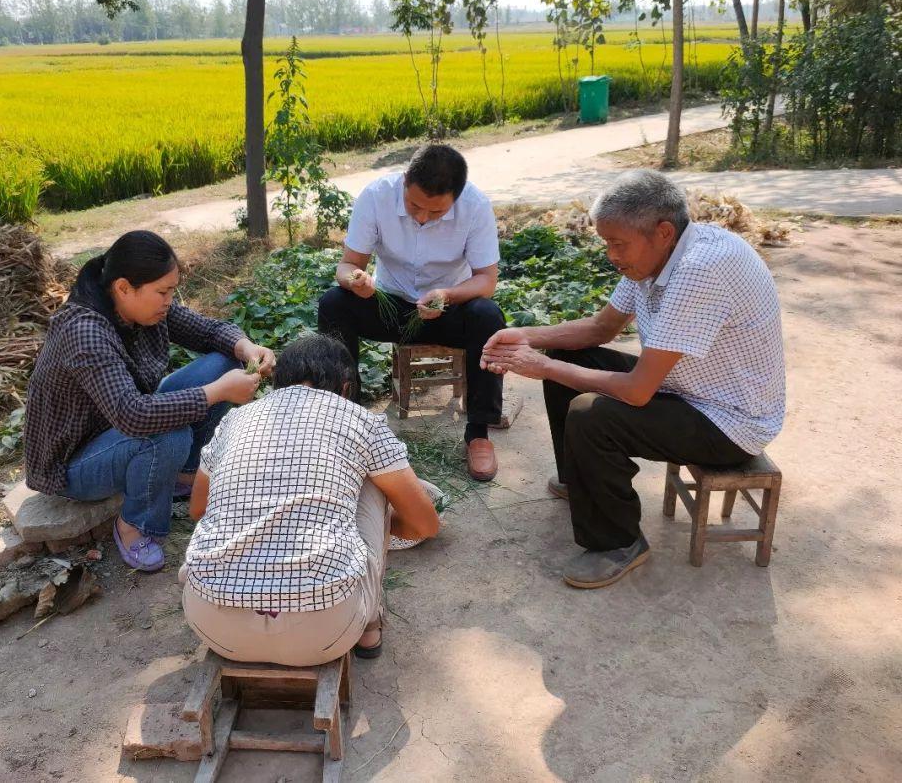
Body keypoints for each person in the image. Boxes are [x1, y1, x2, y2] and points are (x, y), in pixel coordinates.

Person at [482, 170, 786, 589]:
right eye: (606, 242)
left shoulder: (700, 271)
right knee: (571, 356)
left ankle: (618, 543)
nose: (610, 254)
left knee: (591, 414)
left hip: (729, 421)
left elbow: (637, 391)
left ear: (662, 231)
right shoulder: (658, 257)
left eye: (617, 243)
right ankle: (582, 480)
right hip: (685, 388)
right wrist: (527, 336)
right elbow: (599, 329)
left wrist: (541, 367)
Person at [181, 334, 440, 666]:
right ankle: (370, 623)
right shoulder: (362, 421)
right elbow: (425, 524)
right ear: (346, 387)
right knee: (376, 483)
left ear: (278, 382)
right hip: (326, 634)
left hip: (214, 627)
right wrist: (386, 528)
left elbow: (198, 510)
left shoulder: (234, 420)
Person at [24, 230, 275, 572]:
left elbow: (208, 331)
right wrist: (218, 392)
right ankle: (135, 524)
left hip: (120, 424)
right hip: (73, 462)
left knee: (224, 360)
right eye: (163, 292)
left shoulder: (144, 308)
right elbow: (134, 416)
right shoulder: (85, 331)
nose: (169, 300)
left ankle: (182, 476)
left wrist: (245, 347)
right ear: (124, 287)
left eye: (172, 291)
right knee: (168, 434)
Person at [317, 144, 506, 482]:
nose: (422, 217)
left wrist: (447, 295)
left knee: (488, 316)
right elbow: (347, 265)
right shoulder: (376, 197)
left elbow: (486, 281)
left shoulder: (475, 206)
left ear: (456, 197)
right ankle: (345, 418)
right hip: (391, 307)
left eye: (435, 213)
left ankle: (478, 432)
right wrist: (356, 280)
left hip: (447, 310)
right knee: (333, 304)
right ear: (404, 181)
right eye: (414, 205)